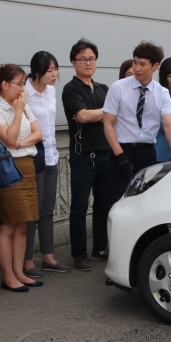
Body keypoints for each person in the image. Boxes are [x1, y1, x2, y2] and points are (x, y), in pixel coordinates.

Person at [62, 38, 121, 271]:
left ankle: (100, 247)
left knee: (104, 205)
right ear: (73, 62)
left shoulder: (104, 89)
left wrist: (100, 114)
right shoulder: (70, 89)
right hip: (83, 155)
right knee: (79, 206)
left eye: (91, 59)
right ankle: (78, 253)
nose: (88, 63)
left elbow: (114, 116)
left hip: (107, 154)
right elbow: (83, 117)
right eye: (83, 59)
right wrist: (106, 112)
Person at [0, 64, 44, 292]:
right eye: (19, 83)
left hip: (27, 164)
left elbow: (39, 134)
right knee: (8, 225)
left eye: (23, 83)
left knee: (24, 225)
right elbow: (7, 139)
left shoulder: (24, 106)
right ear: (4, 85)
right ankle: (8, 276)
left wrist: (20, 143)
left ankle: (19, 272)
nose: (22, 88)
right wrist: (18, 112)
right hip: (8, 168)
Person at [23, 51, 71, 277]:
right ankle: (26, 261)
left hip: (51, 154)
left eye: (55, 69)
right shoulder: (25, 92)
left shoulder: (51, 91)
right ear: (37, 72)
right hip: (33, 155)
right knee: (32, 211)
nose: (55, 74)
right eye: (49, 70)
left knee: (47, 210)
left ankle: (49, 257)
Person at [103, 41, 171, 176]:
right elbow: (108, 122)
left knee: (145, 195)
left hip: (147, 151)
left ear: (155, 66)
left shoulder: (162, 92)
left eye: (142, 64)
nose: (136, 68)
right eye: (135, 62)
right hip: (121, 149)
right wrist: (119, 154)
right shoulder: (118, 87)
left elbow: (169, 124)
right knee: (118, 195)